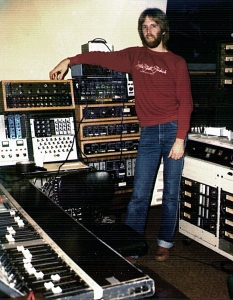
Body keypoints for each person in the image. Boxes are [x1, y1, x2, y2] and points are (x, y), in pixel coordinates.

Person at [49, 7, 193, 263]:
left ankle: (165, 242)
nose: (149, 31)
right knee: (139, 193)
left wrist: (180, 139)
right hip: (149, 133)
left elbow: (186, 103)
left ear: (163, 29)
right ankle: (132, 245)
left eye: (153, 26)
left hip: (173, 130)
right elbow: (101, 58)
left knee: (171, 192)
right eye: (145, 26)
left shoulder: (176, 62)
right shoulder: (134, 56)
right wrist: (69, 60)